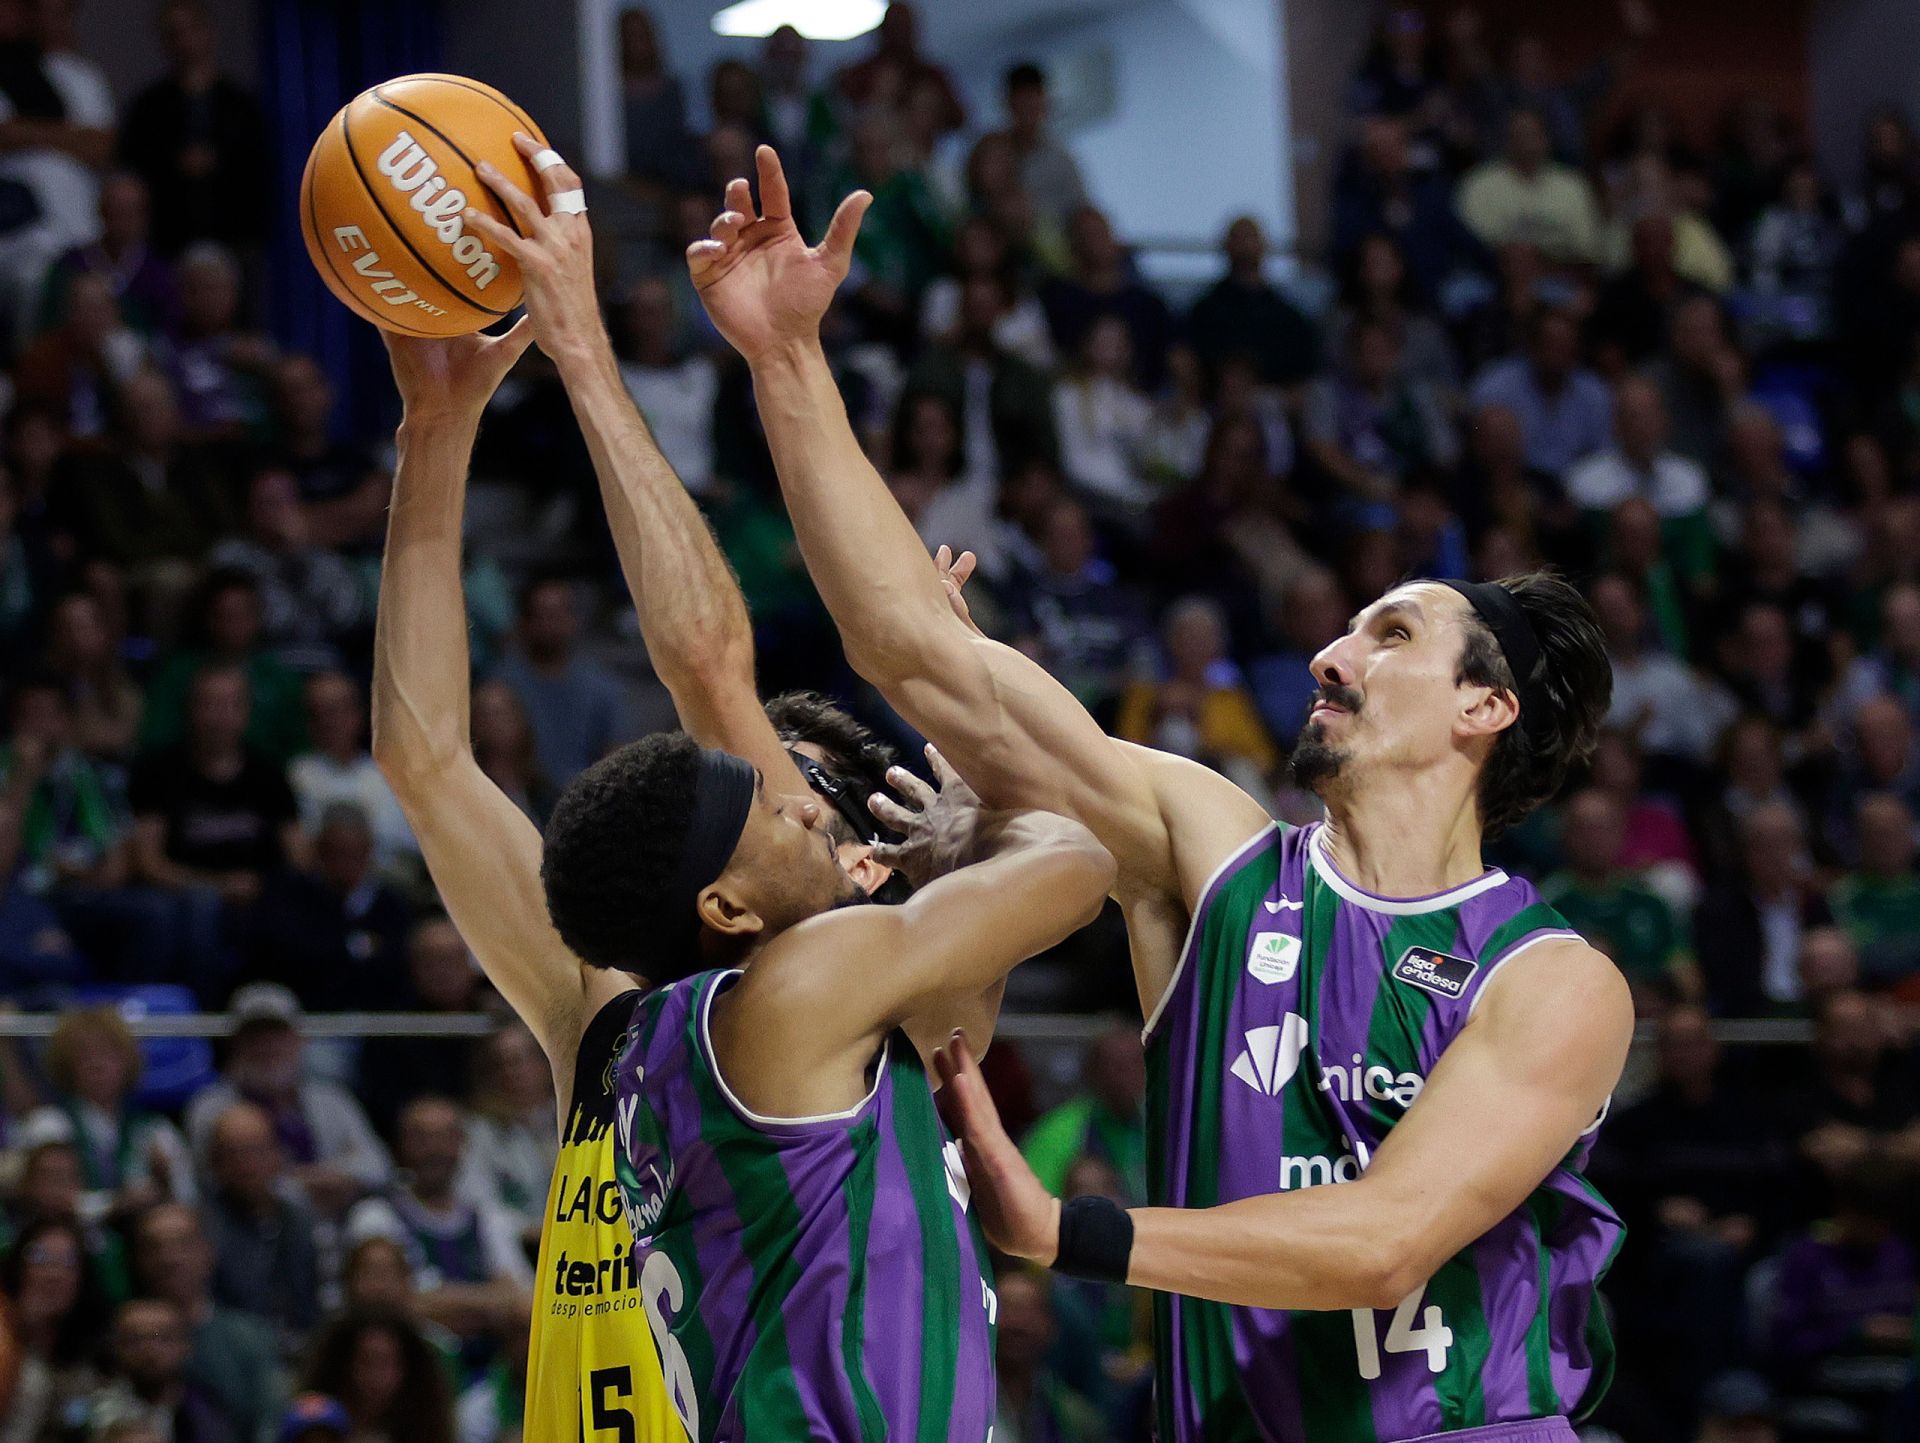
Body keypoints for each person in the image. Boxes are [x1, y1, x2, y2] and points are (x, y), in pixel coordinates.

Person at [691, 144, 1631, 1443]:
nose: (1330, 651)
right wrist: (786, 360)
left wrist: (1062, 1229)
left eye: (1391, 635)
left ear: (1486, 706)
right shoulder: (1212, 854)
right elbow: (913, 644)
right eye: (1344, 630)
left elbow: (1383, 1240)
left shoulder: (1550, 975)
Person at [439, 139, 1118, 1442]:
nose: (813, 805)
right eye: (782, 810)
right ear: (730, 905)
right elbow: (1079, 856)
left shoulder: (688, 1033)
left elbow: (710, 668)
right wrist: (962, 718)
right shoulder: (802, 993)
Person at [184, 984, 390, 1218]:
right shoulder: (210, 1107)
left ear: (299, 1039)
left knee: (376, 1216)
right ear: (235, 1044)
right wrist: (300, 1187)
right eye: (255, 1036)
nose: (267, 1046)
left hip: (331, 1221)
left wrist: (335, 1178)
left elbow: (378, 1165)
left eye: (277, 1034)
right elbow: (207, 1182)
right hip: (248, 1227)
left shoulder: (331, 1099)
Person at [114, 0, 269, 255]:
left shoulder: (241, 106)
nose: (185, 41)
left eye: (191, 29)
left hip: (235, 241)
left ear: (208, 31)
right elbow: (133, 167)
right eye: (174, 33)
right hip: (168, 242)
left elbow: (259, 172)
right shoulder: (148, 108)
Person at [23, 1007, 192, 1226]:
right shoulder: (47, 1126)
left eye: (108, 1054)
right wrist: (117, 1205)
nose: (97, 1065)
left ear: (128, 1061)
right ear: (66, 1064)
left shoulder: (155, 1129)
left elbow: (187, 1200)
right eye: (84, 1055)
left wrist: (165, 1185)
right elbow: (48, 1201)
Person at [129, 1202, 284, 1443]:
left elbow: (271, 1422)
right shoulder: (124, 1336)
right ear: (138, 1260)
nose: (168, 1258)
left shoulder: (248, 1338)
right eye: (154, 1247)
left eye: (182, 1245)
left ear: (207, 1252)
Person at [90, 1296, 240, 1443]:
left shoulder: (208, 1414)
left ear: (185, 1346)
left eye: (163, 1338)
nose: (149, 1350)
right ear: (115, 1347)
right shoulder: (92, 1411)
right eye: (135, 1339)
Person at [299, 1312, 453, 1443]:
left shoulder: (425, 1430)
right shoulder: (310, 1427)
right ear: (343, 1365)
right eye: (367, 1362)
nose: (378, 1377)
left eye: (390, 1364)